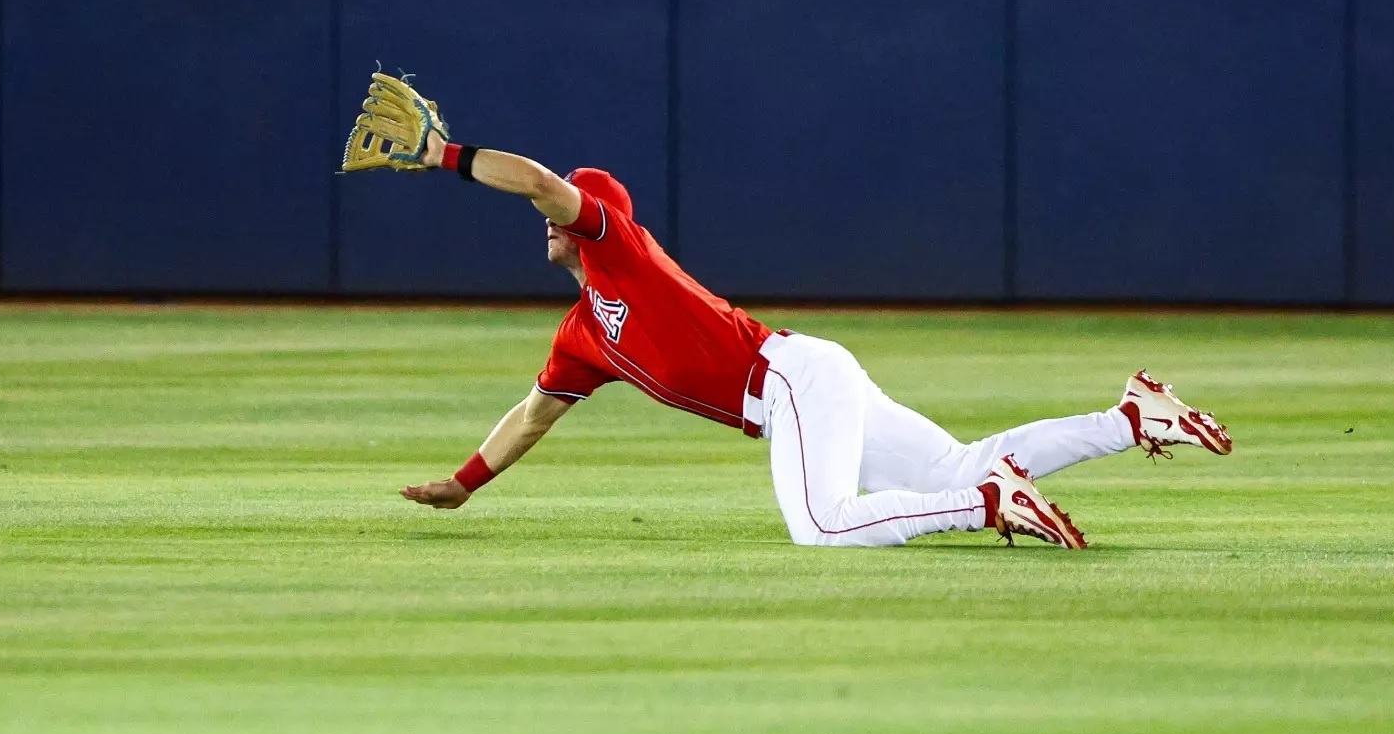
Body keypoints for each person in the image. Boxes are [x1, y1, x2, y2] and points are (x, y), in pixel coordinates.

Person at [395, 127, 1232, 549]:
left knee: (823, 526)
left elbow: (538, 182)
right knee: (953, 465)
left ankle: (990, 504)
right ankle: (1132, 418)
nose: (549, 219)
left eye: (564, 210)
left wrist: (444, 154)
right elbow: (532, 416)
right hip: (808, 377)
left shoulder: (622, 249)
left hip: (789, 378)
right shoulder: (581, 336)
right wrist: (464, 485)